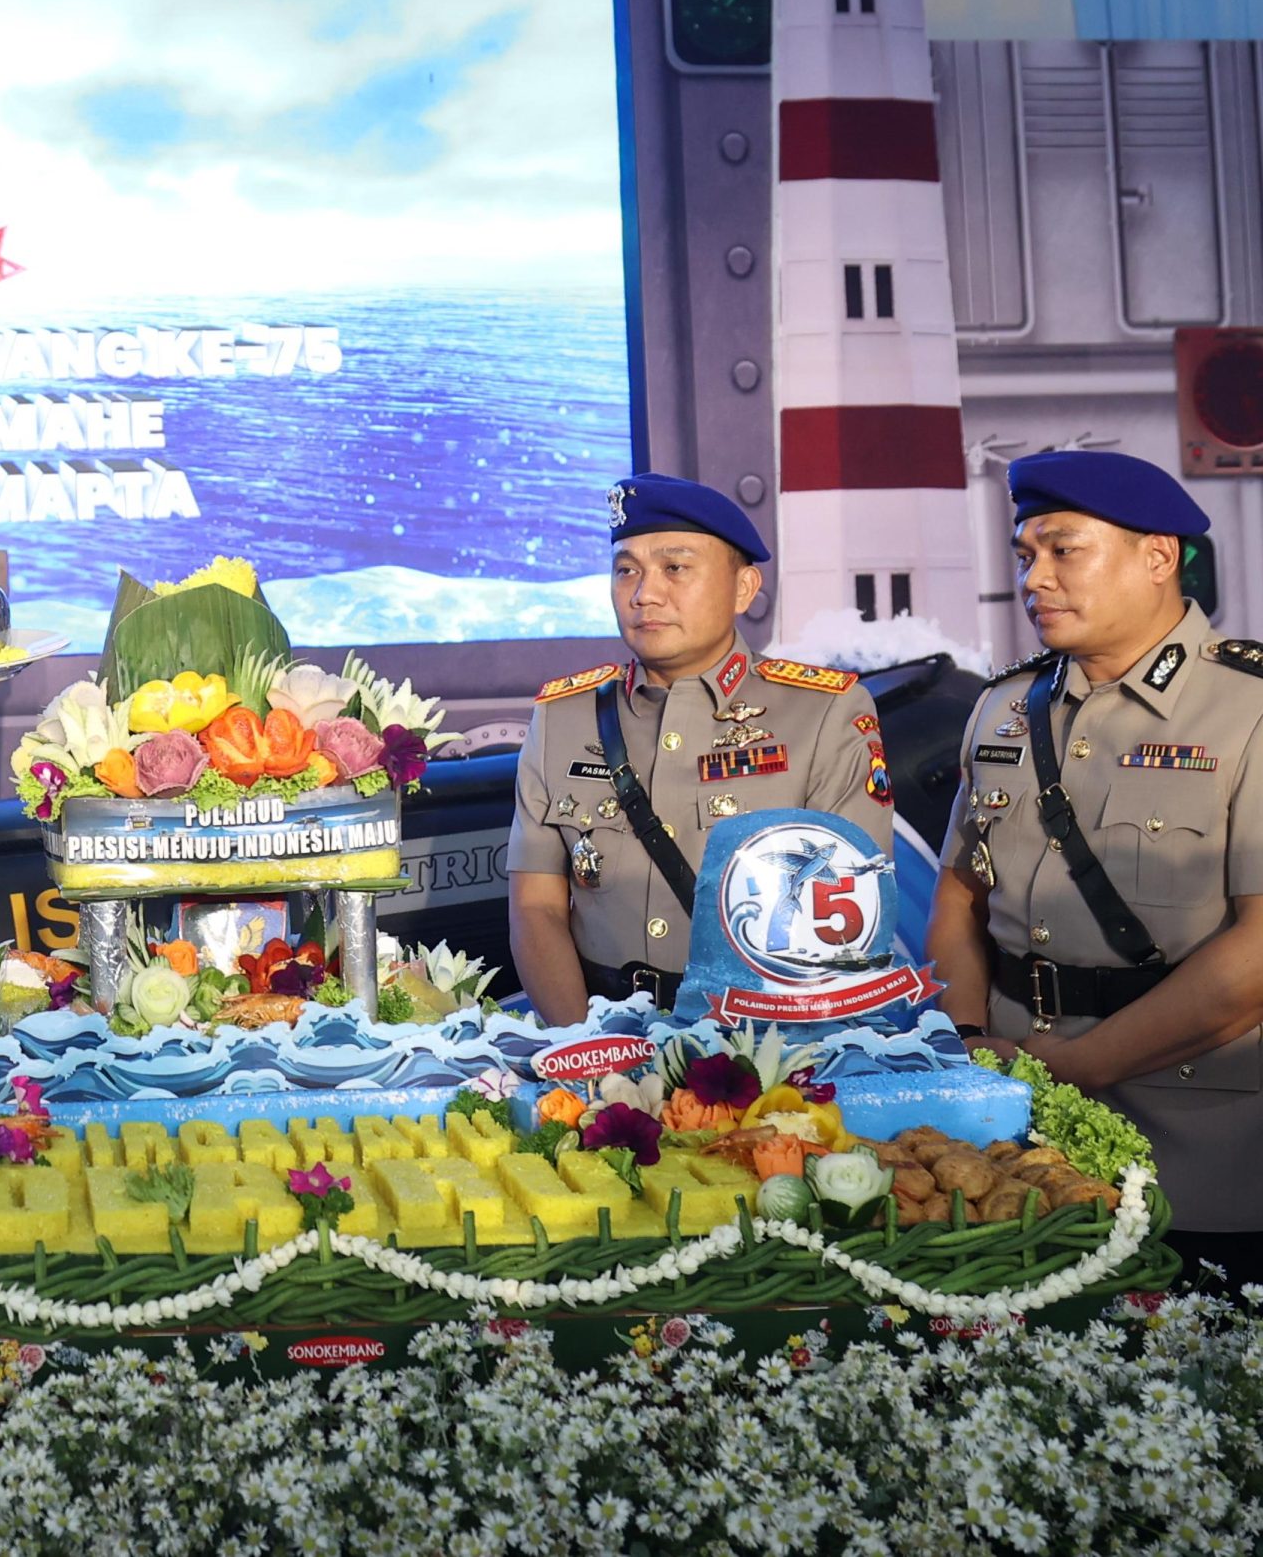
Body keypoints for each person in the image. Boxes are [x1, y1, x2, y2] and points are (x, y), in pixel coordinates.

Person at [927, 450, 1263, 1289]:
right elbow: (960, 899)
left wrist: (1073, 1065)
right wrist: (966, 1046)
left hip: (1197, 1144)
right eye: (1025, 554)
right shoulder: (1003, 708)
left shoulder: (1248, 707)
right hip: (1014, 1143)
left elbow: (1256, 956)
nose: (1034, 578)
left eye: (1063, 549)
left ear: (1158, 557)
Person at [508, 472, 894, 1024]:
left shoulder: (823, 714)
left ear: (744, 588)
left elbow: (842, 929)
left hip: (762, 1037)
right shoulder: (562, 717)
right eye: (626, 570)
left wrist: (746, 1061)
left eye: (675, 568)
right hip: (595, 1028)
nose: (644, 594)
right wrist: (586, 1046)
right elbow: (536, 908)